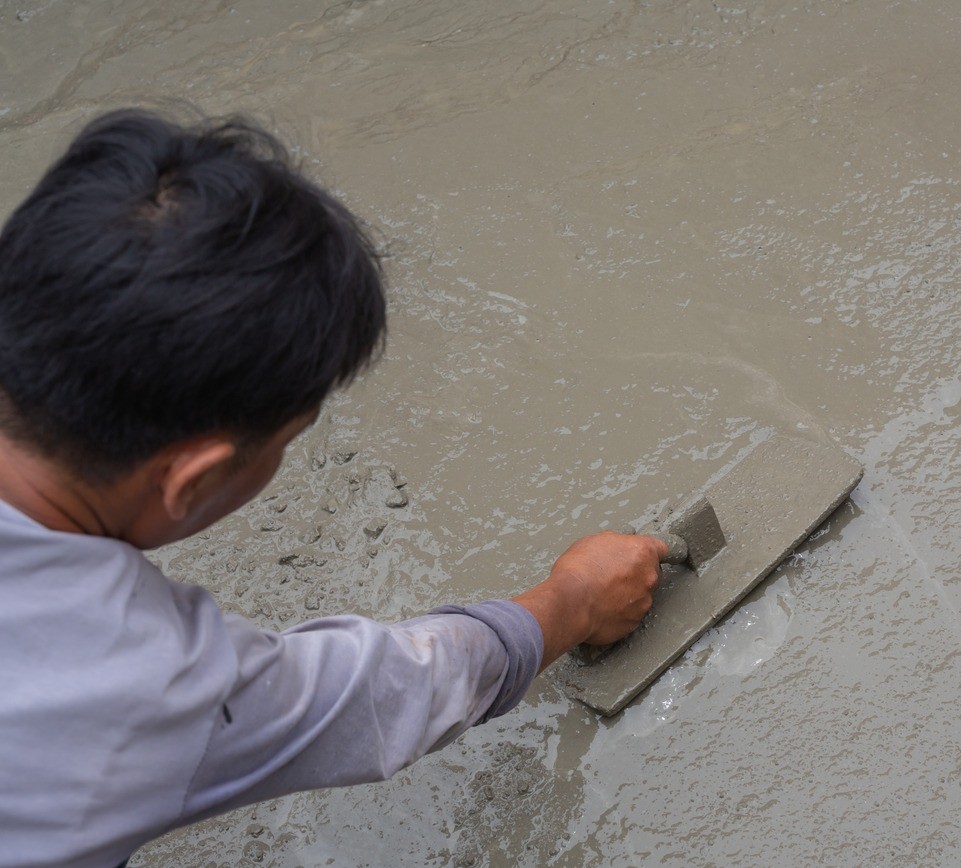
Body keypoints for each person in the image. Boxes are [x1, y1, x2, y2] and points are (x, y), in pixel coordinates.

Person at [0, 109, 666, 868]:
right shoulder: (141, 678)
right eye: (286, 439)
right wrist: (576, 598)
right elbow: (385, 694)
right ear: (194, 477)